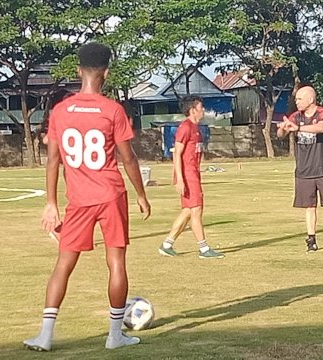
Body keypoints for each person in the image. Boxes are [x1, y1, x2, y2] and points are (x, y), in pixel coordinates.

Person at [23, 42, 151, 352]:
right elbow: (129, 159)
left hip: (78, 199)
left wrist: (51, 203)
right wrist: (142, 195)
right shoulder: (112, 110)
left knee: (63, 264)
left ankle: (45, 335)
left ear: (79, 71)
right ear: (106, 72)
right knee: (116, 262)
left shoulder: (61, 110)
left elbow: (53, 160)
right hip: (110, 194)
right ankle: (114, 335)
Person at [277, 86, 323, 252]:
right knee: (309, 207)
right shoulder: (295, 117)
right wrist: (283, 128)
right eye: (296, 99)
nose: (297, 102)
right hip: (304, 170)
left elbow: (321, 128)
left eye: (300, 99)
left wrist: (298, 129)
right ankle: (311, 241)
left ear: (310, 99)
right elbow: (280, 135)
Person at [158, 95, 224, 259]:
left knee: (188, 211)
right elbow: (177, 155)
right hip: (188, 175)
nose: (203, 110)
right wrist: (179, 179)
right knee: (196, 210)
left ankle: (167, 244)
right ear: (192, 109)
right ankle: (203, 249)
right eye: (201, 107)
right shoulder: (185, 127)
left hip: (194, 173)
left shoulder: (197, 128)